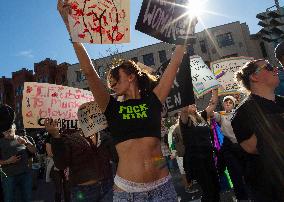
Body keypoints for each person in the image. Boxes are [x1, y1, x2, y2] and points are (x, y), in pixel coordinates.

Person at [57, 0, 193, 200]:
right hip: (128, 192)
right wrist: (70, 26)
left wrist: (185, 31)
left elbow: (175, 63)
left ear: (131, 77)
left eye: (115, 78)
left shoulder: (154, 100)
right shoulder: (110, 106)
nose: (111, 84)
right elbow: (88, 71)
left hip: (163, 187)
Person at [232, 59, 284, 201]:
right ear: (254, 77)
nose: (275, 69)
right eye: (268, 67)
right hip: (270, 190)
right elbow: (253, 148)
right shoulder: (242, 112)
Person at [44, 120, 114, 202]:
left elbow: (116, 158)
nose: (90, 119)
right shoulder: (70, 139)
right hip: (84, 191)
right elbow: (61, 164)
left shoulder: (105, 137)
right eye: (85, 115)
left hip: (107, 187)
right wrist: (56, 136)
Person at [179, 89, 220, 202]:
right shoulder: (185, 120)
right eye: (190, 104)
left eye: (193, 103)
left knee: (216, 186)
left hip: (208, 157)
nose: (193, 104)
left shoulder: (202, 116)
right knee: (208, 189)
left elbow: (213, 103)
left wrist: (214, 88)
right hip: (197, 160)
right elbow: (183, 111)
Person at [212, 96, 249, 201]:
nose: (228, 103)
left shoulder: (238, 114)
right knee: (235, 174)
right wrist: (213, 98)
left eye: (230, 102)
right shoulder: (221, 115)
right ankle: (242, 197)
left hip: (242, 146)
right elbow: (210, 113)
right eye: (226, 102)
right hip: (229, 148)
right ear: (223, 104)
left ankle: (250, 193)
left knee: (247, 172)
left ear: (233, 104)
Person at [0, 104, 37, 202]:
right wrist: (8, 161)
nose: (7, 133)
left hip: (25, 175)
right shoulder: (1, 142)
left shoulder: (25, 138)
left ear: (14, 127)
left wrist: (26, 143)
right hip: (9, 177)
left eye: (9, 131)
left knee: (27, 198)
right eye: (5, 132)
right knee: (9, 199)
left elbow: (34, 151)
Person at [45, 133, 71, 202]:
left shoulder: (65, 136)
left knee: (67, 188)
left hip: (66, 166)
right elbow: (50, 153)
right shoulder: (49, 137)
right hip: (55, 166)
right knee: (58, 188)